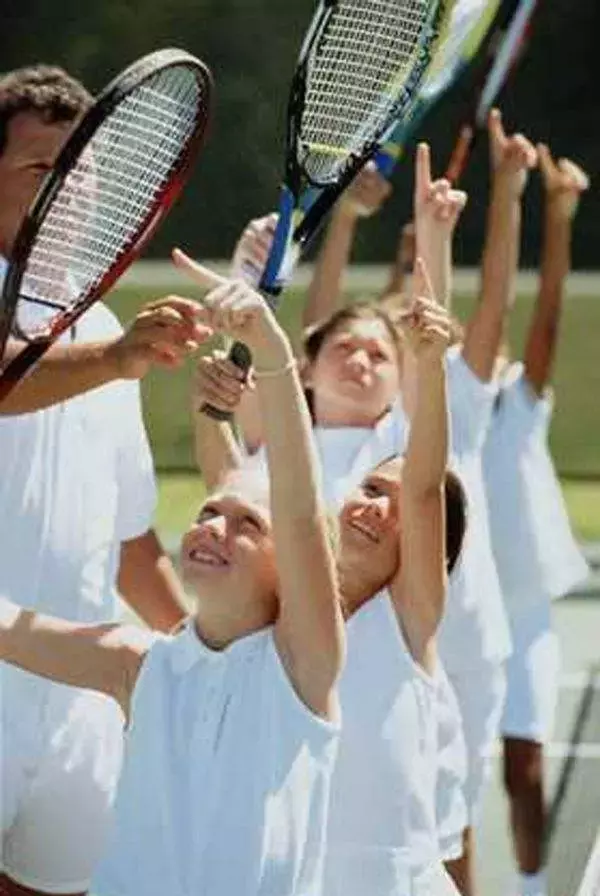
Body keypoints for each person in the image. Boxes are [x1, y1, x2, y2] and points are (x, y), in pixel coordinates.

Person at [0, 262, 345, 896]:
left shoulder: (301, 670)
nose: (215, 524)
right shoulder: (140, 663)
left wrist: (273, 358)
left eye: (247, 524)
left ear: (287, 569)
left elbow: (298, 511)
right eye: (210, 511)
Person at [0, 65, 199, 896]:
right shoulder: (110, 347)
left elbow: (129, 544)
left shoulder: (109, 325)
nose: (67, 191)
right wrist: (114, 361)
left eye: (78, 170)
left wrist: (200, 658)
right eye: (41, 169)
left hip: (79, 703)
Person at [483, 145, 590, 896]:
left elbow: (545, 309)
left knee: (524, 768)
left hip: (523, 620)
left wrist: (555, 218)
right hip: (449, 618)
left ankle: (529, 889)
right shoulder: (436, 413)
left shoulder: (519, 401)